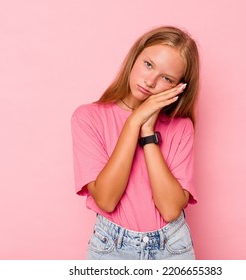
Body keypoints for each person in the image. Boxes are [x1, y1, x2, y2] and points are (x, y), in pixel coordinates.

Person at [71, 26, 200, 260]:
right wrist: (134, 122)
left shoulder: (181, 127)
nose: (150, 81)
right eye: (148, 64)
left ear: (178, 88)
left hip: (172, 248)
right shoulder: (88, 117)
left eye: (166, 78)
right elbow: (106, 200)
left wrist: (148, 131)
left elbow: (171, 209)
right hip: (111, 248)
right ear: (135, 57)